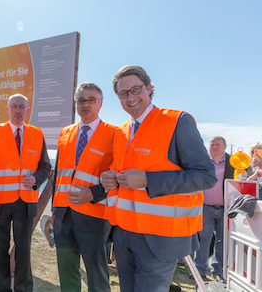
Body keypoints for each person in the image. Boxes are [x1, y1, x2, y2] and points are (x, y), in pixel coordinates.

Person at [100, 65, 217, 292]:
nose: (130, 98)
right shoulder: (121, 131)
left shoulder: (177, 121)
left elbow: (205, 176)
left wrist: (147, 180)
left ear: (149, 88)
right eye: (123, 94)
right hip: (124, 235)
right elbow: (122, 171)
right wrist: (110, 177)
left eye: (135, 89)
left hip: (160, 239)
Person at [53, 82, 116, 292]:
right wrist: (55, 210)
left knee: (96, 275)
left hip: (95, 216)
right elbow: (59, 174)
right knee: (67, 272)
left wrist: (94, 193)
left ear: (100, 103)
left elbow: (118, 177)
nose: (85, 104)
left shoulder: (115, 134)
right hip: (63, 215)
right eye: (81, 100)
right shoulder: (65, 133)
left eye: (91, 100)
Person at [0, 93, 51, 292]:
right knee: (0, 251)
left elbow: (45, 166)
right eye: (14, 106)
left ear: (27, 110)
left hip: (25, 203)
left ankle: (24, 289)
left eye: (22, 107)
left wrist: (36, 180)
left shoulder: (37, 134)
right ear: (8, 109)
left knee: (23, 252)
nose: (18, 111)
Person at [193, 136, 234, 282]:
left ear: (225, 146)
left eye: (217, 144)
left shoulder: (233, 163)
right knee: (203, 239)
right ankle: (199, 270)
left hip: (226, 209)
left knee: (222, 240)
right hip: (205, 207)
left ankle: (218, 271)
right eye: (212, 145)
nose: (214, 147)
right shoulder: (203, 162)